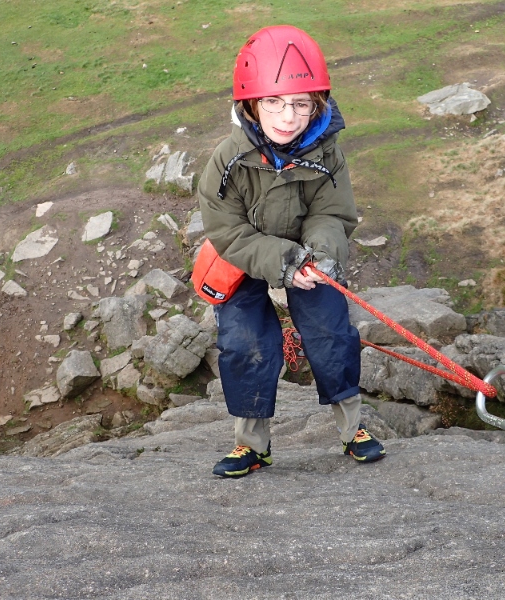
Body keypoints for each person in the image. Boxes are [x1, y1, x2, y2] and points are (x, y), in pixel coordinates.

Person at [197, 25, 386, 478]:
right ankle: (251, 445)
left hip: (308, 257)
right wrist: (283, 261)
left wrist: (317, 258)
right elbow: (227, 229)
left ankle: (352, 429)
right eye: (274, 103)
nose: (288, 116)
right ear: (251, 105)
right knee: (244, 343)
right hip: (244, 256)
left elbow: (332, 215)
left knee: (331, 333)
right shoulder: (228, 160)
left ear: (317, 104)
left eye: (301, 104)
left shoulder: (327, 154)